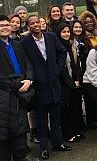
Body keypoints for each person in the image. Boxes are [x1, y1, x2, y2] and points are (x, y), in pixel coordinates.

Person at [0, 15, 35, 161]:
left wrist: (29, 79)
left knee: (20, 133)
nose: (4, 27)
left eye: (7, 25)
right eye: (0, 25)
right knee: (2, 135)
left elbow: (28, 64)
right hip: (1, 95)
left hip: (20, 94)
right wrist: (16, 85)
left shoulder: (17, 45)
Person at [20, 15, 72, 160]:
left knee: (56, 118)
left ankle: (58, 143)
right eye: (32, 23)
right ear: (28, 26)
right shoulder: (24, 43)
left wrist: (57, 67)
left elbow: (62, 52)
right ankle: (43, 147)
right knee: (41, 121)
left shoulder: (51, 37)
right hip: (38, 87)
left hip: (54, 84)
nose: (36, 25)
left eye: (38, 22)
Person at [55, 22, 86, 143]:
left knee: (76, 106)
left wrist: (77, 80)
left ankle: (77, 130)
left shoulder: (72, 45)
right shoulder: (57, 48)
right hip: (65, 83)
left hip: (75, 81)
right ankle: (68, 133)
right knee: (66, 109)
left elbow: (77, 64)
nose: (67, 34)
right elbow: (60, 69)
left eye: (68, 31)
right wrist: (71, 83)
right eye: (64, 32)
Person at [78, 11, 97, 130]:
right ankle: (91, 121)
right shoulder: (82, 38)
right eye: (86, 23)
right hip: (87, 71)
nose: (89, 24)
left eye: (91, 21)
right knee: (89, 97)